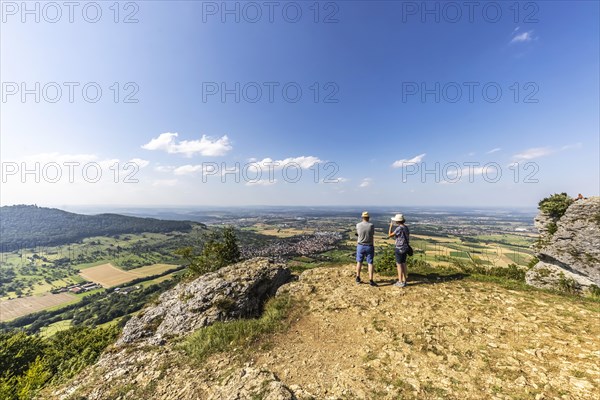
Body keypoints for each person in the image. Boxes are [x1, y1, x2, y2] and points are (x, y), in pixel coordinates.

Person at [356, 211, 377, 286]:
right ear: (368, 217)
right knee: (370, 263)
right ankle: (371, 280)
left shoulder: (358, 225)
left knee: (359, 262)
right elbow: (372, 234)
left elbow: (358, 233)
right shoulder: (371, 225)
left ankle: (358, 277)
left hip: (360, 245)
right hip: (369, 246)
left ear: (362, 217)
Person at [388, 213, 409, 288]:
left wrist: (390, 226)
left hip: (399, 248)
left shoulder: (398, 228)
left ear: (397, 221)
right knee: (403, 263)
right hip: (405, 248)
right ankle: (405, 280)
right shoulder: (406, 227)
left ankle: (400, 281)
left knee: (399, 265)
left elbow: (390, 235)